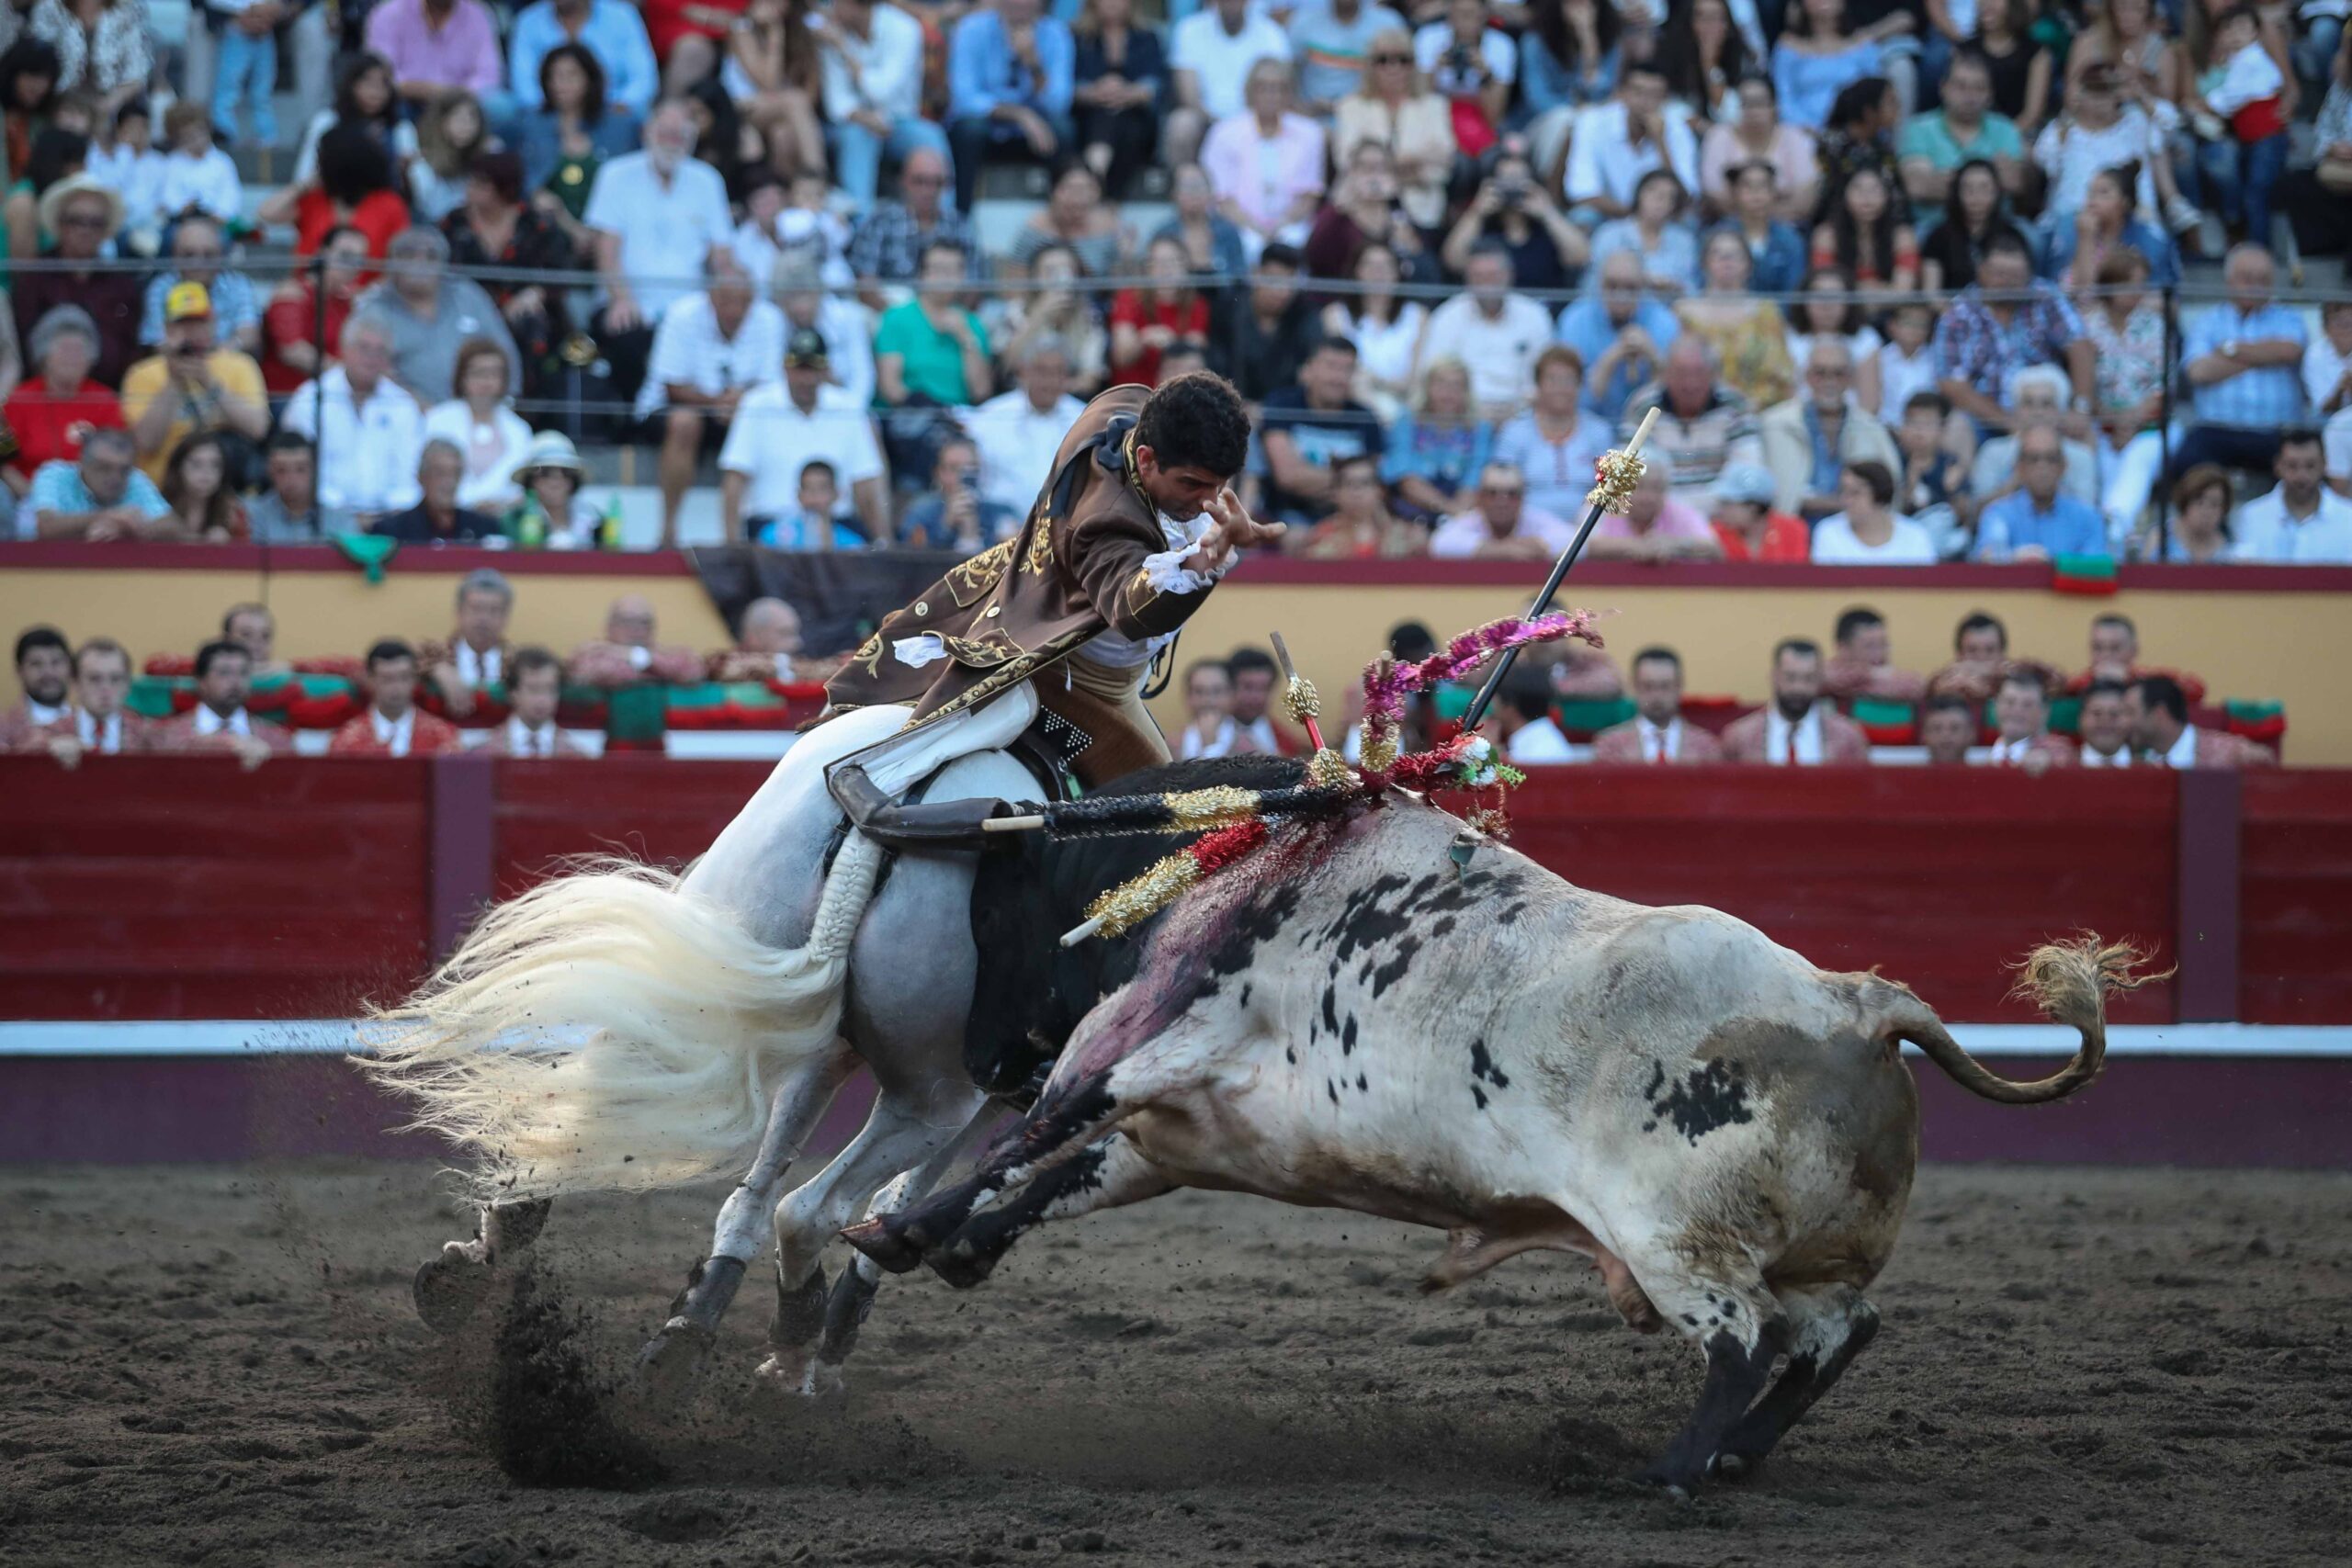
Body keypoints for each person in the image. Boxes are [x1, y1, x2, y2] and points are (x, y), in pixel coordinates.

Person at [822, 374, 1277, 792]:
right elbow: (1130, 611)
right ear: (1145, 458)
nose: (1206, 503)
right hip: (1069, 675)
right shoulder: (1107, 519)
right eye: (1192, 484)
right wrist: (1201, 565)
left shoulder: (1126, 406)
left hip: (1014, 603)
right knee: (1154, 813)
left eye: (1218, 486)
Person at [582, 97, 734, 400]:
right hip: (631, 302)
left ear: (692, 139)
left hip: (691, 307)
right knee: (627, 336)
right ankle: (630, 430)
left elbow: (721, 255)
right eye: (665, 133)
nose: (672, 142)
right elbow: (607, 250)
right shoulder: (616, 175)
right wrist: (622, 299)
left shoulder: (708, 180)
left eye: (680, 136)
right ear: (647, 132)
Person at [635, 258, 783, 546]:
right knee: (684, 422)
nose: (734, 311)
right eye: (726, 301)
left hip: (742, 410)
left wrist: (738, 402)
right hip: (673, 409)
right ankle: (668, 529)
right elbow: (672, 386)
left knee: (767, 420)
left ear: (753, 299)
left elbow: (771, 384)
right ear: (710, 297)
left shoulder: (770, 318)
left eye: (742, 302)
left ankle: (755, 531)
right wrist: (719, 402)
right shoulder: (682, 314)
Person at [720, 329, 887, 544]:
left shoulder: (848, 406)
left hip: (837, 529)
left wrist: (882, 542)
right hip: (769, 528)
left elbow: (867, 481)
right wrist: (731, 545)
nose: (806, 378)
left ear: (826, 369)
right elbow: (734, 478)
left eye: (813, 369)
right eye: (799, 368)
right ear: (785, 368)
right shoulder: (756, 404)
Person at [1930, 231, 2093, 436]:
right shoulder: (1957, 314)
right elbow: (1952, 385)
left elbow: (2080, 346)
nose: (2007, 282)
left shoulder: (2045, 296)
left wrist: (2080, 407)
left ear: (2029, 274)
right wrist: (2008, 423)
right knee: (1956, 427)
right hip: (1985, 421)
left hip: (2049, 413)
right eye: (1999, 274)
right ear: (1981, 271)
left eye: (2015, 276)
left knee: (2085, 430)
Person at [2173, 244, 2309, 482]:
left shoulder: (2289, 318)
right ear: (2229, 281)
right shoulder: (2207, 322)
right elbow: (2198, 371)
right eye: (2246, 278)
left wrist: (2229, 350)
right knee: (2186, 465)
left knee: (2305, 463)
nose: (2255, 286)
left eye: (2263, 279)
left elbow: (2289, 351)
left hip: (2277, 431)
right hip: (2216, 429)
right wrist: (2263, 356)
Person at [118, 283, 269, 491]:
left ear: (213, 324)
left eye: (200, 323)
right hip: (161, 490)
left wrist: (209, 383)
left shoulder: (239, 365)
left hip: (224, 491)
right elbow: (145, 442)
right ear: (168, 329)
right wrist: (174, 382)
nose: (193, 332)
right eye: (183, 324)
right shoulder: (143, 374)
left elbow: (258, 428)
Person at [281, 315, 426, 527]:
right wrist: (344, 516)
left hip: (393, 521)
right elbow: (301, 469)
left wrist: (391, 515)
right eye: (364, 348)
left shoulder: (403, 404)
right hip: (323, 517)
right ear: (343, 350)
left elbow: (410, 472)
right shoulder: (311, 398)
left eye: (380, 351)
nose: (372, 357)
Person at [356, 226, 524, 408]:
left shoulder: (467, 294)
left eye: (431, 256)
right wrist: (418, 407)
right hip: (405, 418)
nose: (420, 262)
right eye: (409, 255)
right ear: (392, 263)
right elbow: (370, 371)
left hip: (479, 413)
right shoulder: (375, 308)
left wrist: (505, 402)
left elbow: (504, 352)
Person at [945, 0, 1076, 214]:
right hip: (988, 127)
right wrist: (1021, 116)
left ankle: (1061, 219)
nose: (1020, 3)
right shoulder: (971, 29)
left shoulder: (1056, 34)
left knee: (1063, 129)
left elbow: (1059, 103)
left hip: (1035, 136)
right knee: (968, 130)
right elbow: (964, 97)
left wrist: (1033, 64)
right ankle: (961, 218)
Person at [1757, 334, 1899, 520]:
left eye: (1838, 373)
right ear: (1807, 377)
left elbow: (1891, 493)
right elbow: (1761, 494)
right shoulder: (1773, 424)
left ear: (1850, 379)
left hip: (1853, 536)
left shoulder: (1871, 428)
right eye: (1820, 373)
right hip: (1792, 533)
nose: (1829, 381)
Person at [13, 175, 138, 384]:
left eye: (95, 223)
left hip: (106, 399)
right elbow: (24, 349)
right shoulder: (34, 278)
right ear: (60, 224)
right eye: (76, 220)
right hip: (45, 400)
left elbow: (129, 352)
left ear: (106, 230)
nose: (85, 230)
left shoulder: (123, 284)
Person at [1332, 28, 1457, 230]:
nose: (1393, 67)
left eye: (1403, 59)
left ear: (1413, 65)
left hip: (1420, 210)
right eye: (1383, 60)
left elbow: (1444, 160)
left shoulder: (1434, 105)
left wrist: (1377, 164)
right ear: (1371, 65)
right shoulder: (1350, 106)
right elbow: (1346, 159)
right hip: (1360, 211)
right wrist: (1415, 164)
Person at [1260, 337, 1385, 524]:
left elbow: (1371, 485)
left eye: (1347, 369)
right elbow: (1287, 476)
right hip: (1290, 514)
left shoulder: (1365, 417)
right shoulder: (1283, 405)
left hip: (1351, 518)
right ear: (1308, 369)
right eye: (1331, 366)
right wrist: (1351, 483)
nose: (1338, 378)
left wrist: (1313, 478)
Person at [1423, 243, 1556, 420]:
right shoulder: (1446, 317)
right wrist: (1474, 411)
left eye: (1493, 276)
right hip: (1463, 417)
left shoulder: (1535, 316)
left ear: (1509, 275)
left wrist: (1518, 410)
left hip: (1525, 416)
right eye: (1479, 277)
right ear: (1467, 280)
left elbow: (1546, 377)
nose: (1487, 285)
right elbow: (1435, 376)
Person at [1623, 336, 1761, 505]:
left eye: (1699, 373)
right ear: (1664, 375)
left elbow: (1746, 474)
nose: (1690, 383)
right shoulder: (1644, 407)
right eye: (1681, 374)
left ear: (1713, 375)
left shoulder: (1735, 407)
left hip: (1722, 518)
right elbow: (1629, 474)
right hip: (1658, 518)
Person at [1895, 49, 2023, 229]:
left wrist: (1947, 180)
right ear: (1943, 88)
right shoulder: (1918, 128)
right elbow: (1918, 187)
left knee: (2033, 240)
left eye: (1979, 88)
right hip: (1936, 227)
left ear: (1990, 95)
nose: (1970, 97)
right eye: (1961, 87)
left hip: (1997, 227)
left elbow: (2013, 181)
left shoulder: (2005, 128)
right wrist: (1987, 182)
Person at [1554, 252, 1680, 425]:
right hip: (1588, 426)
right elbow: (1568, 401)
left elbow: (1678, 398)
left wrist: (1654, 358)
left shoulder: (1665, 322)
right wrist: (1610, 360)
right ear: (1599, 285)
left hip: (1648, 430)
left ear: (1643, 286)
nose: (1621, 295)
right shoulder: (1575, 320)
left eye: (1630, 287)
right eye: (1612, 286)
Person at [968, 338, 1089, 518]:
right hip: (1001, 528)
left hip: (1065, 528)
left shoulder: (1085, 419)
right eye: (1042, 371)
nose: (1050, 381)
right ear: (1024, 372)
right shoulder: (989, 417)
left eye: (1058, 373)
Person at [511, 41, 640, 209]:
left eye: (571, 76)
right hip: (545, 222)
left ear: (589, 78)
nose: (560, 84)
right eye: (554, 76)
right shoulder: (530, 124)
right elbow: (523, 179)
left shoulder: (619, 125)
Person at [1490, 344, 1615, 518]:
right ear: (1538, 385)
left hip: (1587, 526)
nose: (1561, 388)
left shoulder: (1599, 432)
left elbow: (1609, 487)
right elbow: (1501, 488)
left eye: (1568, 380)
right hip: (1527, 525)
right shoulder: (1514, 433)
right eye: (1553, 380)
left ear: (1580, 386)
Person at [1168, 0, 1293, 169]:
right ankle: (1186, 185)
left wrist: (1242, 124)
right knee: (1181, 124)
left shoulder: (1271, 33)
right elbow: (1189, 97)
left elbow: (1279, 89)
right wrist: (1219, 124)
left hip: (1258, 119)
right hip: (1207, 120)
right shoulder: (1189, 29)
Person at [1566, 62, 1699, 220]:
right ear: (1622, 93)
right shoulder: (1592, 122)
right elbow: (1582, 192)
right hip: (1608, 215)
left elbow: (1685, 199)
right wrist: (1635, 218)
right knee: (1582, 216)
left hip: (1660, 220)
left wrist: (1661, 142)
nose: (1645, 101)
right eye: (1638, 92)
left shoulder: (1677, 128)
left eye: (1655, 95)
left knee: (1689, 220)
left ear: (1665, 100)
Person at [6, 305, 119, 482]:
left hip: (92, 499)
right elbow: (5, 464)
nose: (72, 358)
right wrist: (33, 497)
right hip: (27, 496)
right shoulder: (20, 399)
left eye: (79, 350)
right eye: (65, 349)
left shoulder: (105, 400)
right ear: (44, 355)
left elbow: (117, 460)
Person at [1068, 0, 1167, 199]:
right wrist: (1095, 92)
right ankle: (1109, 199)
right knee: (1107, 118)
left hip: (1137, 115)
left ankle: (1094, 185)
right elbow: (1066, 84)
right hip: (1090, 114)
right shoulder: (1076, 38)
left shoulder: (1148, 37)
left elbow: (1157, 84)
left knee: (1126, 126)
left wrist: (1128, 93)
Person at [424, 338, 535, 515]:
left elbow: (522, 488)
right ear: (462, 377)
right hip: (447, 519)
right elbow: (427, 477)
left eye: (494, 374)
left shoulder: (520, 430)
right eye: (478, 373)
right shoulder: (437, 420)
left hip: (501, 521)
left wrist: (500, 505)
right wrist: (471, 505)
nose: (486, 381)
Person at [1721, 637, 1871, 764]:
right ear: (1774, 676)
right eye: (1790, 677)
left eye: (1808, 678)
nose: (1799, 687)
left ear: (1820, 680)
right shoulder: (1739, 738)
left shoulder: (1848, 737)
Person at [261, 225, 369, 397]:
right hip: (292, 395)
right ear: (322, 253)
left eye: (359, 260)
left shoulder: (349, 301)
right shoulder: (292, 294)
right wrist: (350, 374)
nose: (353, 266)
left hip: (335, 393)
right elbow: (292, 351)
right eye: (345, 256)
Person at [1973, 425, 2109, 560]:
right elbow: (1988, 556)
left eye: (2051, 459)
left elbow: (2095, 567)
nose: (2042, 467)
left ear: (2063, 466)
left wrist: (2051, 563)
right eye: (2033, 459)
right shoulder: (1998, 513)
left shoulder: (2087, 517)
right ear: (2019, 467)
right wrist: (2016, 557)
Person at [508, 0, 660, 121]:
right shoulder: (527, 21)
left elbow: (643, 78)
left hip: (611, 108)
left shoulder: (623, 15)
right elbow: (524, 86)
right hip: (550, 110)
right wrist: (554, 107)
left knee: (640, 113)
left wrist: (623, 104)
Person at [139, 214, 262, 359]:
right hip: (175, 366)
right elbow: (157, 342)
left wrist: (212, 358)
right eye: (189, 255)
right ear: (174, 256)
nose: (198, 262)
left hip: (224, 365)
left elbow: (248, 336)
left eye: (208, 255)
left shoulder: (238, 284)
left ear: (221, 256)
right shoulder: (161, 287)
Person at [153, 639, 292, 765]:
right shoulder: (165, 735)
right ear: (200, 681)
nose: (236, 681)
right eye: (224, 673)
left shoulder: (277, 739)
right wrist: (225, 745)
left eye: (243, 673)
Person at [1700, 73, 1818, 220]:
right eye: (1746, 103)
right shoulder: (1718, 136)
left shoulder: (1795, 138)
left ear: (1775, 106)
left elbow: (1804, 201)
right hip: (1729, 225)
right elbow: (1715, 196)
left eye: (1760, 103)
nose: (1753, 111)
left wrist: (1759, 219)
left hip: (1787, 224)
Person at [1384, 358, 1490, 521]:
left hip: (1464, 508)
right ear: (1427, 387)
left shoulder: (1479, 427)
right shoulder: (1407, 421)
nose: (1448, 392)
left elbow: (1476, 475)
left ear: (1467, 391)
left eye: (1457, 386)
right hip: (1415, 507)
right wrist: (1452, 510)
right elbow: (1406, 476)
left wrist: (1459, 513)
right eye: (1441, 384)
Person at [1210, 244, 1317, 404]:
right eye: (1275, 281)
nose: (1283, 292)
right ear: (1256, 274)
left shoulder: (1304, 315)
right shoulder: (1228, 309)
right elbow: (1216, 363)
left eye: (1290, 283)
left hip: (1282, 413)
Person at [28, 426, 174, 539]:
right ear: (82, 462)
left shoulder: (135, 478)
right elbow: (46, 527)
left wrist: (126, 528)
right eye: (104, 468)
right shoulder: (54, 475)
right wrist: (109, 516)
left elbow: (172, 526)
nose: (115, 477)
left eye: (123, 470)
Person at [328, 638, 465, 757]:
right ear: (370, 681)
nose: (396, 687)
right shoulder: (346, 741)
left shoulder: (442, 736)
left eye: (403, 678)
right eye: (387, 679)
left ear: (414, 679)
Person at [2231, 431, 2352, 561]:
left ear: (2324, 465)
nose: (2301, 475)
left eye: (2310, 466)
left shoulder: (2348, 518)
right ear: (2278, 466)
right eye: (2292, 466)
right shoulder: (2251, 516)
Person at [28, 636, 152, 761]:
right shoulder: (51, 733)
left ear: (128, 685)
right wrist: (47, 753)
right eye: (94, 679)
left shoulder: (148, 735)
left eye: (115, 679)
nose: (106, 688)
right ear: (75, 683)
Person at [1591, 646, 1724, 763]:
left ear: (1679, 686)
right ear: (1634, 686)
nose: (1656, 695)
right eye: (1648, 686)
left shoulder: (1706, 746)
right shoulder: (1611, 744)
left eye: (1665, 686)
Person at [1917, 157, 2027, 294]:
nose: (1976, 197)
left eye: (1984, 188)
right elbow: (1931, 294)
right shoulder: (1938, 237)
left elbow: (2022, 289)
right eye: (1968, 189)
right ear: (1957, 193)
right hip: (1951, 311)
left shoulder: (2013, 235)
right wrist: (1956, 314)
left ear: (1997, 192)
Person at [365, 0, 503, 107]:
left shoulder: (478, 15)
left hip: (462, 103)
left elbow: (488, 75)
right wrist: (423, 90)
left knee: (501, 108)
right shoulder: (389, 13)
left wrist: (453, 95)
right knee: (378, 100)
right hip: (405, 99)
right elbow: (380, 70)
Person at [1770, 0, 1883, 132]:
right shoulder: (1787, 46)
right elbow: (1783, 95)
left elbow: (1876, 91)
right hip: (1802, 133)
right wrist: (1806, 128)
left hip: (1857, 131)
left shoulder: (1863, 43)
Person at [1587, 167, 1700, 299]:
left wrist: (1674, 287)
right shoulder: (1609, 234)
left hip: (1670, 312)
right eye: (1654, 192)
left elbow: (1692, 288)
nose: (1660, 201)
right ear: (1639, 194)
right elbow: (1593, 283)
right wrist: (1640, 279)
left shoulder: (1684, 241)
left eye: (1669, 197)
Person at [1429, 458, 1575, 558]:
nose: (1502, 501)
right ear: (1479, 497)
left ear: (1522, 497)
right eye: (1492, 493)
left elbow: (1574, 542)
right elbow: (1439, 543)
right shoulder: (1472, 519)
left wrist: (1541, 546)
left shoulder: (1534, 517)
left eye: (1511, 494)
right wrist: (1500, 550)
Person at [420, 567, 515, 716]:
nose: (484, 618)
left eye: (494, 610)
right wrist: (437, 668)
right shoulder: (438, 656)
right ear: (459, 612)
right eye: (476, 609)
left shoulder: (517, 662)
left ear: (505, 617)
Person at [2125, 673, 2275, 768]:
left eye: (2130, 712)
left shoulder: (2234, 755)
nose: (2124, 722)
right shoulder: (2134, 761)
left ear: (2159, 713)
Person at [1585, 459, 1724, 560]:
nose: (1648, 497)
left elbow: (1714, 548)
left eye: (1656, 488)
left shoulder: (1679, 511)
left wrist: (1675, 544)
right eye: (1639, 488)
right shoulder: (1605, 508)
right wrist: (1636, 546)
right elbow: (1585, 546)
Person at [1707, 158, 1807, 297]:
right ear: (1735, 193)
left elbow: (1793, 293)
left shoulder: (1790, 240)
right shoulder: (1716, 236)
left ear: (1774, 193)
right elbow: (1704, 286)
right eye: (1748, 186)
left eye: (1763, 186)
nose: (1756, 194)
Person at [901, 435, 1020, 551]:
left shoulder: (1001, 513)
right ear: (938, 473)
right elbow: (910, 558)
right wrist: (945, 527)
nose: (963, 476)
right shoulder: (922, 514)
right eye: (953, 468)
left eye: (971, 468)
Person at [1295, 0, 1410, 118]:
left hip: (1373, 117)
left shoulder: (1388, 23)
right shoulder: (1303, 23)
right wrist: (1304, 112)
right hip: (1314, 120)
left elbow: (1408, 77)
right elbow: (1287, 78)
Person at [371, 440, 502, 543]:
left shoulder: (484, 529)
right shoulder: (390, 532)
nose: (449, 482)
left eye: (455, 473)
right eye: (440, 473)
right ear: (421, 477)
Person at [1295, 452, 1422, 558]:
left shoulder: (1406, 536)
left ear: (1380, 491)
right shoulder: (1318, 537)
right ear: (1335, 493)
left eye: (1365, 483)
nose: (1357, 492)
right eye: (1349, 484)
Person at [1810, 458, 1937, 562]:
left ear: (1880, 495)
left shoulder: (1915, 536)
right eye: (1843, 491)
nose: (1845, 500)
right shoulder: (1829, 532)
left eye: (1855, 493)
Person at [567, 593, 705, 687]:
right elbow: (583, 676)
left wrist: (643, 658)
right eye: (627, 621)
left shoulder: (670, 653)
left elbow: (694, 674)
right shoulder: (591, 653)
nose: (637, 629)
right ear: (609, 627)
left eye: (644, 622)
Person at [502, 430, 607, 547]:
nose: (555, 482)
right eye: (545, 473)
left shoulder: (596, 521)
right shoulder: (514, 519)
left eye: (566, 472)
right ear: (531, 481)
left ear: (574, 480)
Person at [481, 646, 585, 757]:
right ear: (512, 693)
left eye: (550, 689)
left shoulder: (576, 755)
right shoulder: (484, 753)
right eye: (533, 689)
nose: (542, 699)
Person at [245, 431, 340, 541]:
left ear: (314, 471)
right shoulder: (252, 516)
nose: (291, 478)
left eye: (300, 469)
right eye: (281, 470)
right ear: (269, 471)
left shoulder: (338, 520)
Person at [1822, 604, 1927, 702]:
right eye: (1870, 647)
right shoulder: (1824, 676)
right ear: (1842, 648)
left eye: (1883, 645)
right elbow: (1829, 679)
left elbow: (1917, 686)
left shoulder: (1902, 681)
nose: (1879, 655)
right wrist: (1873, 675)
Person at [1709, 460, 1808, 561]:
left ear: (1753, 507)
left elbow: (1798, 573)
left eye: (1728, 504)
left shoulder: (1792, 529)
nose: (1722, 510)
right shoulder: (1714, 534)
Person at [1980, 669, 2076, 771]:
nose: (2017, 711)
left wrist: (2050, 761)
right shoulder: (1979, 752)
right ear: (1995, 706)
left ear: (2044, 712)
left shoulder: (2056, 754)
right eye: (2009, 702)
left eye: (2028, 705)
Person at [2139, 463, 2236, 562]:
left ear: (2224, 509)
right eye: (2199, 501)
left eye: (2215, 504)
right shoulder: (2160, 538)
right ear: (2185, 502)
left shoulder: (2228, 549)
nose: (2206, 511)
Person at [158, 432, 245, 542]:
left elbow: (245, 554)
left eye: (215, 465)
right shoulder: (158, 507)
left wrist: (229, 542)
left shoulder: (233, 512)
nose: (206, 473)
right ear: (178, 467)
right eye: (196, 464)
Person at [1, 625, 72, 744]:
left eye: (56, 662)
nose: (48, 672)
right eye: (36, 664)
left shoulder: (90, 724)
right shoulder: (5, 728)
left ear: (69, 667)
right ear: (20, 671)